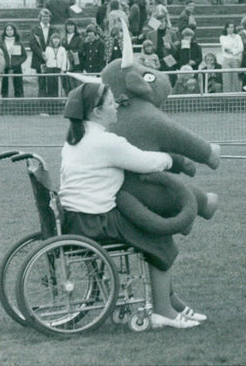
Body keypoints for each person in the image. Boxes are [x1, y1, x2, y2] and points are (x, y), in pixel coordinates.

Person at [59, 82, 203, 329]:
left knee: (152, 232)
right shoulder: (104, 141)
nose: (117, 106)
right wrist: (172, 158)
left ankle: (170, 300)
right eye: (112, 102)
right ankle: (163, 311)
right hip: (96, 221)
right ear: (97, 111)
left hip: (77, 217)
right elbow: (146, 162)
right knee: (159, 237)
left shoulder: (77, 137)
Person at [29, 9, 53, 97]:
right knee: (41, 80)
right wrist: (41, 53)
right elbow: (32, 44)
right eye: (44, 16)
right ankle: (42, 99)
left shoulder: (53, 29)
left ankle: (51, 98)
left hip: (51, 59)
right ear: (40, 18)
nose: (46, 18)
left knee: (51, 80)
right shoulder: (35, 29)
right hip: (39, 59)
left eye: (47, 16)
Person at [0, 23, 26, 98]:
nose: (9, 31)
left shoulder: (18, 42)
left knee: (18, 85)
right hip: (5, 67)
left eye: (11, 29)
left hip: (16, 68)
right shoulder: (1, 43)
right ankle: (4, 101)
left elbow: (24, 56)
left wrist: (17, 63)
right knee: (4, 85)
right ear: (5, 31)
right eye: (7, 30)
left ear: (14, 31)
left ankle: (19, 102)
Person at [219, 22, 243, 93]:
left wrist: (232, 51)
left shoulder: (238, 36)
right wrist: (234, 46)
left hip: (236, 59)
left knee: (235, 79)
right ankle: (227, 96)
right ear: (226, 28)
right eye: (229, 27)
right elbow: (226, 46)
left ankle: (237, 95)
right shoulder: (222, 37)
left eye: (232, 27)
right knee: (227, 79)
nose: (230, 29)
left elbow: (241, 48)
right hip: (226, 59)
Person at [43, 32, 68, 97]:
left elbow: (64, 60)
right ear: (51, 40)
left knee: (58, 84)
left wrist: (63, 70)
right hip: (50, 68)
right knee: (50, 84)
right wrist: (45, 58)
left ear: (60, 40)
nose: (56, 40)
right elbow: (46, 59)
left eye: (58, 39)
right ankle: (50, 99)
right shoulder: (48, 48)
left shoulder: (62, 49)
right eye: (54, 38)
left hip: (58, 69)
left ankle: (58, 98)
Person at [63, 20, 84, 92]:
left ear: (74, 27)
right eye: (68, 26)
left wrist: (71, 53)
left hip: (76, 65)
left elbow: (81, 49)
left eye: (71, 25)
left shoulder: (79, 38)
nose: (70, 27)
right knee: (67, 85)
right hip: (66, 65)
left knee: (76, 85)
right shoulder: (64, 38)